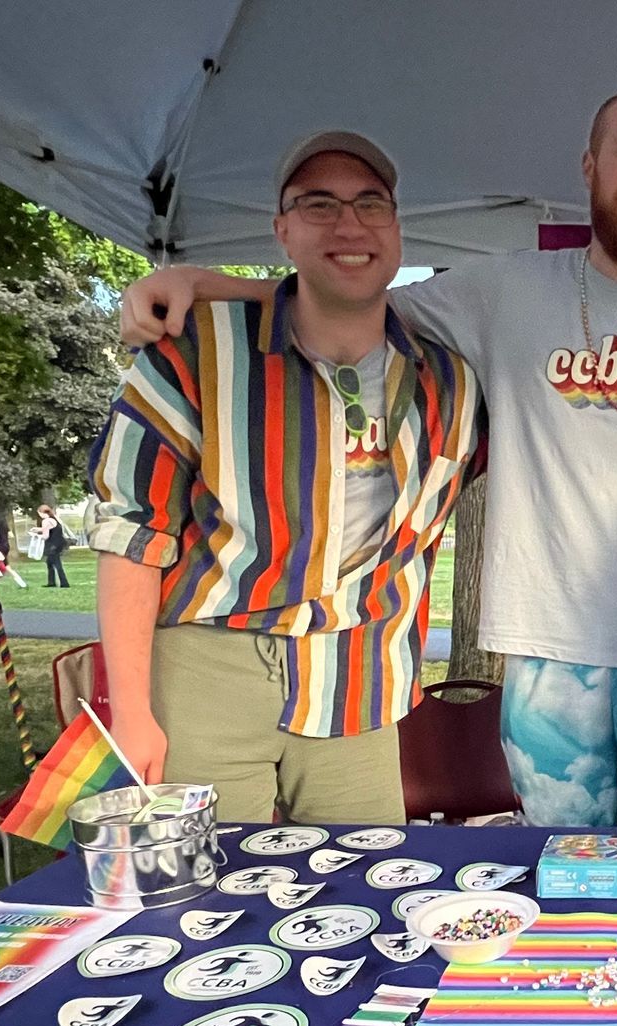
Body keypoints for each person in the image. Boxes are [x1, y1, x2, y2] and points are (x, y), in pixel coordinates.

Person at [122, 94, 617, 827]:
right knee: (562, 871)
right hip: (549, 649)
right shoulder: (505, 289)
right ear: (589, 167)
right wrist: (200, 283)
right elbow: (346, 300)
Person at [86, 131, 484, 824]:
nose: (350, 224)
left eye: (371, 203)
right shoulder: (196, 352)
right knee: (206, 893)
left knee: (364, 885)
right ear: (282, 231)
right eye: (319, 205)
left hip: (357, 671)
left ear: (396, 228)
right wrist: (134, 711)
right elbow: (129, 534)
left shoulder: (450, 382)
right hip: (212, 662)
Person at [34, 504, 71, 588]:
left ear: (41, 513)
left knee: (57, 564)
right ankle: (51, 582)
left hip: (52, 545)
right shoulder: (54, 519)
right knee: (50, 563)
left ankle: (64, 583)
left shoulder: (45, 521)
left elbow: (45, 535)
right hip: (59, 543)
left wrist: (36, 536)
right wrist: (38, 530)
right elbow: (49, 529)